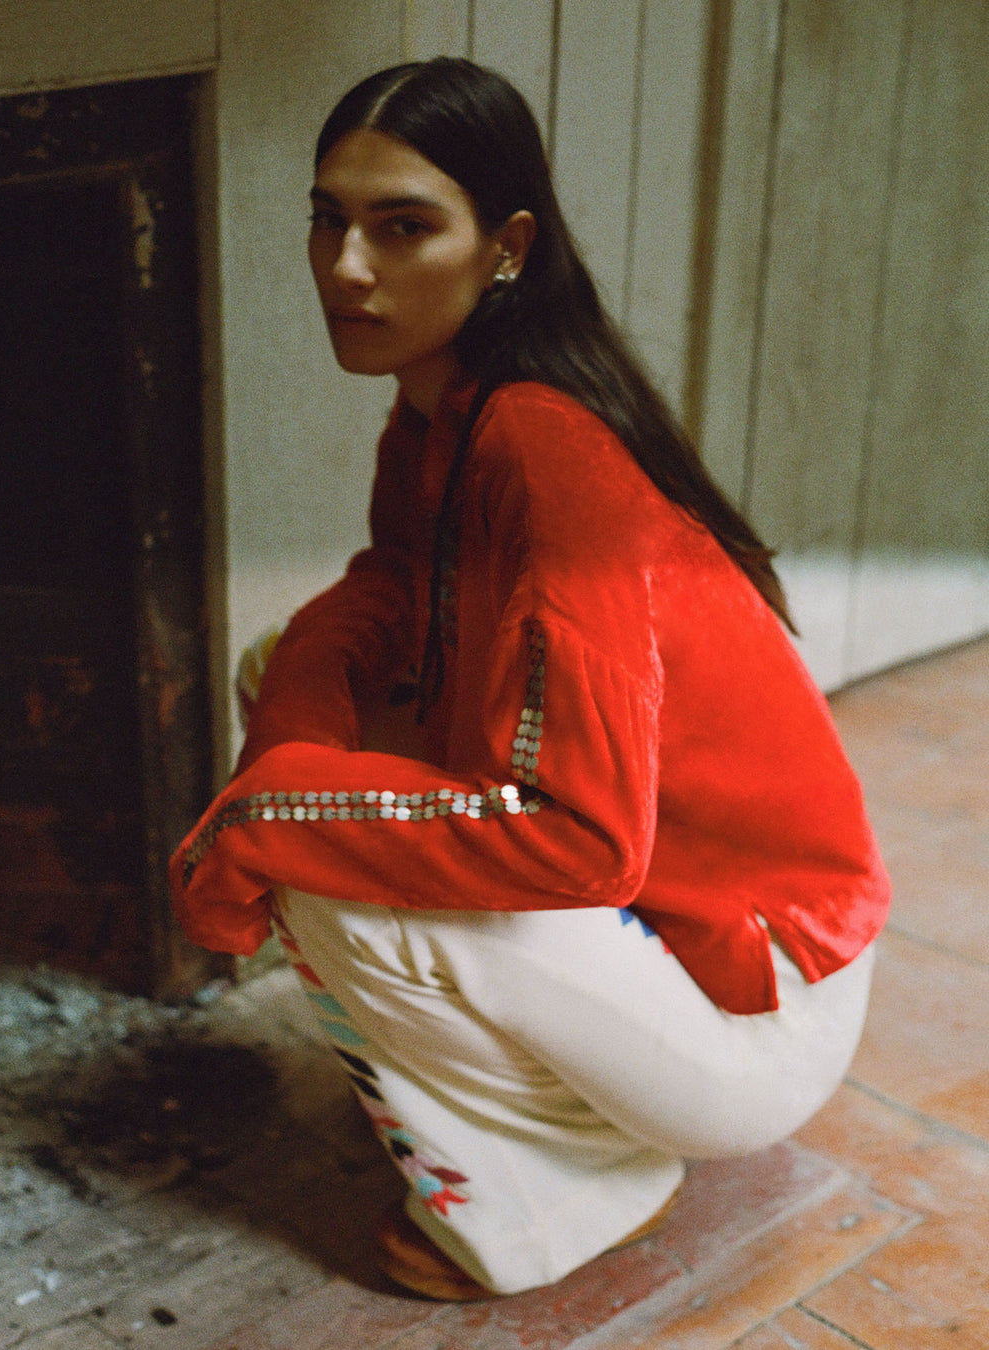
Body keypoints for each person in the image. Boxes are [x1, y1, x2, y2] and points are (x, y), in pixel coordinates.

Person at [170, 57, 890, 1300]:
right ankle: (527, 1109)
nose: (347, 266)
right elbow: (391, 585)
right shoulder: (449, 405)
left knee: (319, 868)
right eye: (327, 219)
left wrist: (271, 817)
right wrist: (282, 763)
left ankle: (560, 1190)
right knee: (283, 682)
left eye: (402, 227)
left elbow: (578, 842)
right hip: (672, 926)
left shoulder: (549, 459)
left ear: (504, 246)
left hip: (755, 1008)